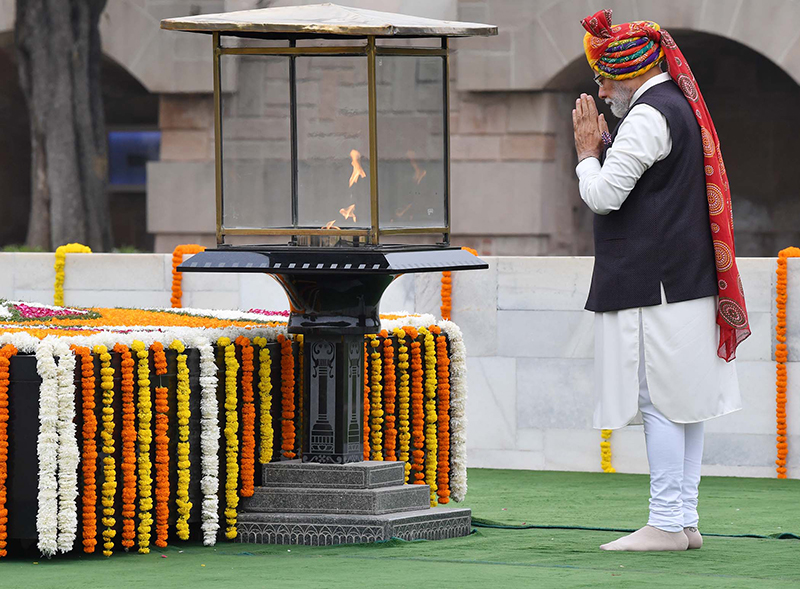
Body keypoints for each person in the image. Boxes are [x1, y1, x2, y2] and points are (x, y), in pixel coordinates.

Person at [572, 9, 751, 552]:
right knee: (682, 401)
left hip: (657, 285)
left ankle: (667, 524)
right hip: (681, 281)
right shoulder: (673, 107)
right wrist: (604, 150)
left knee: (660, 400)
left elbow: (604, 196)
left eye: (603, 78)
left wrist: (585, 155)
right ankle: (683, 521)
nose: (601, 91)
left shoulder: (650, 114)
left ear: (626, 72)